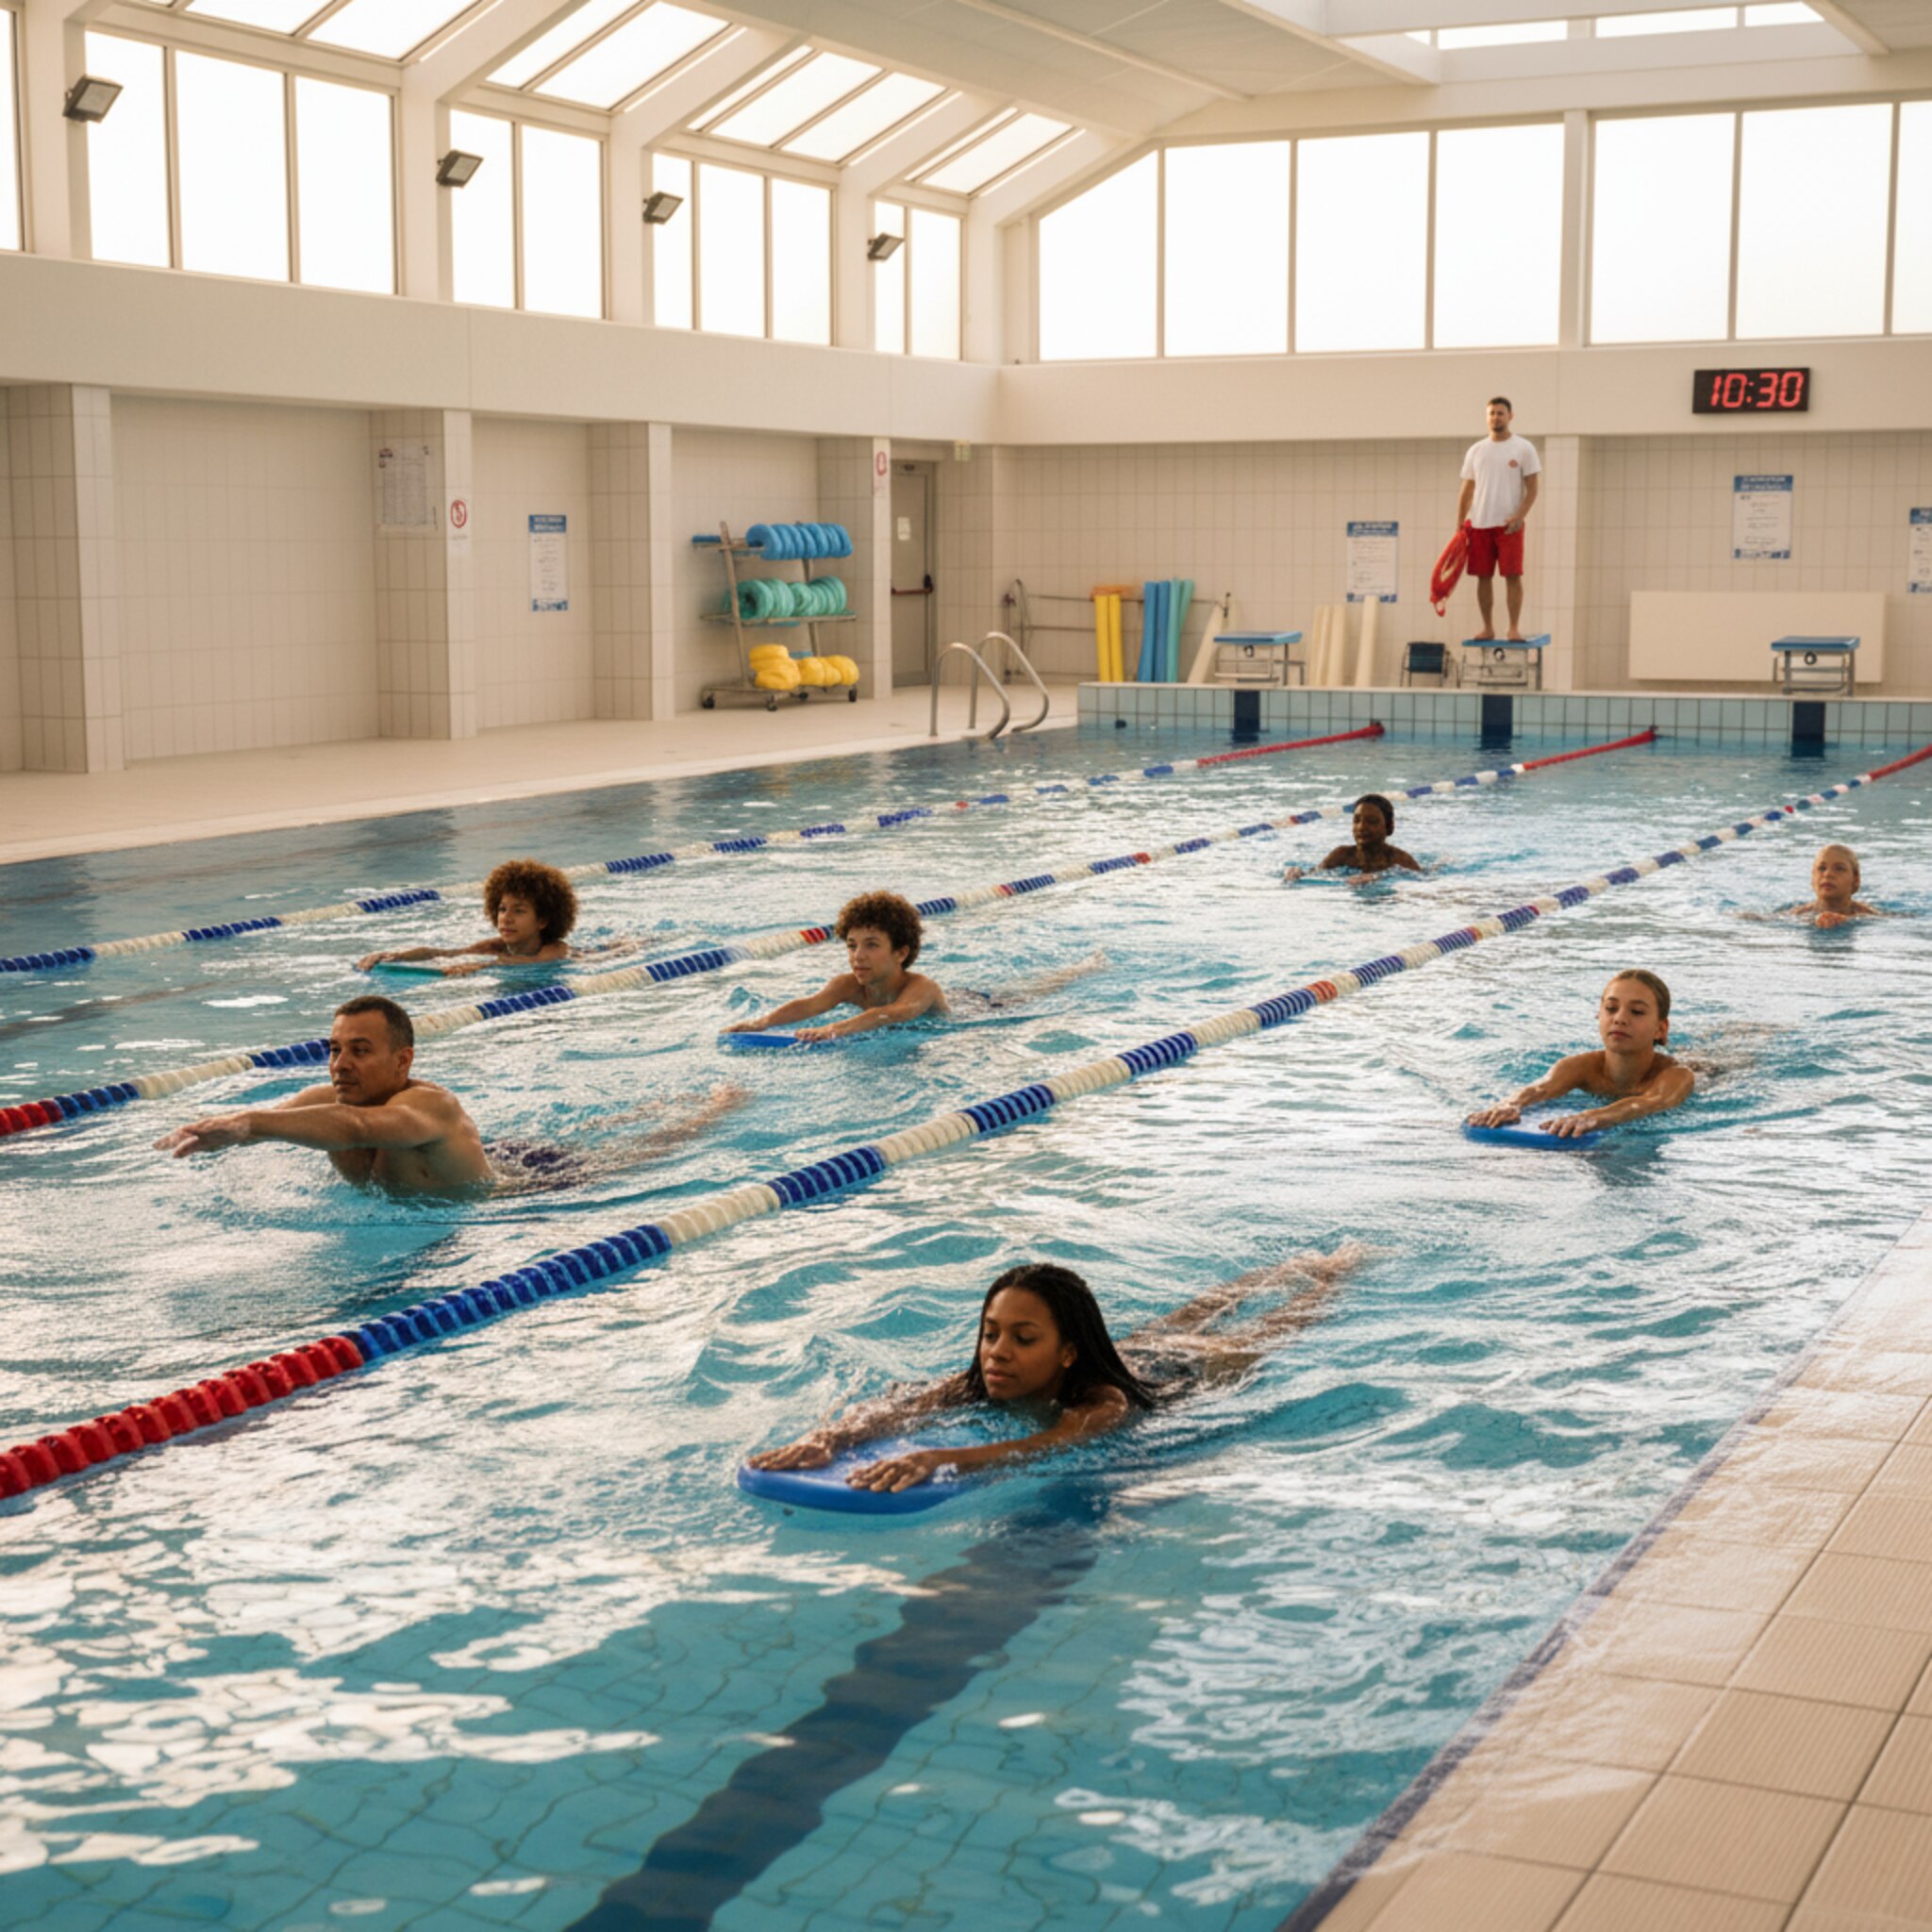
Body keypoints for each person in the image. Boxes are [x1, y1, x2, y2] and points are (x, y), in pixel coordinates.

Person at [747, 1247, 1365, 1494]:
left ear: (1067, 1352)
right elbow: (895, 1410)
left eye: (1021, 1338)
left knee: (1268, 1328)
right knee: (1195, 1309)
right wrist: (825, 1439)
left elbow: (1045, 1445)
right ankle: (1276, 1269)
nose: (996, 1352)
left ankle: (1327, 1275)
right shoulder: (978, 1380)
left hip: (1188, 1372)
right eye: (989, 1334)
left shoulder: (1103, 1405)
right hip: (1138, 1347)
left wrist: (941, 1457)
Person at [154, 995, 491, 1195]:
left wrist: (248, 1121)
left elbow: (358, 1127)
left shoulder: (432, 1106)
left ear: (402, 1060)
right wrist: (210, 1135)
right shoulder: (324, 1102)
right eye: (334, 1050)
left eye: (360, 1051)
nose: (340, 1065)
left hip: (503, 1198)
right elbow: (260, 1129)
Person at [1467, 970, 1693, 1140]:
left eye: (1637, 1012)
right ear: (1599, 1015)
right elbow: (1539, 1088)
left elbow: (1652, 1102)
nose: (1620, 1019)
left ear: (1660, 1029)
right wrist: (1510, 1104)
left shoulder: (1677, 1075)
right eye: (1611, 1008)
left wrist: (1596, 1116)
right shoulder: (1580, 1067)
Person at [723, 891, 948, 1042]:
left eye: (871, 945)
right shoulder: (847, 985)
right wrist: (762, 1023)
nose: (858, 956)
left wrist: (833, 1029)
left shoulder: (922, 987)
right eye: (852, 946)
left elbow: (890, 1014)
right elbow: (810, 1006)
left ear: (900, 953)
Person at [357, 859, 579, 978]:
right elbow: (445, 953)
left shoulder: (555, 949)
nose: (506, 919)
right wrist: (396, 955)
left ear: (542, 920)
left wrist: (482, 966)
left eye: (519, 911)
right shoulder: (495, 946)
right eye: (502, 909)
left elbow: (533, 963)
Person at [1455, 397, 1541, 643]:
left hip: (1508, 526)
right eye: (1492, 413)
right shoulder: (1476, 450)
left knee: (1512, 575)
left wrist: (1520, 515)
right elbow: (1467, 490)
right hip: (1479, 523)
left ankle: (1513, 628)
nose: (1496, 418)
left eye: (1500, 413)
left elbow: (1533, 488)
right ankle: (1488, 627)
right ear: (1486, 417)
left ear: (1510, 416)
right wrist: (1460, 523)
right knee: (1483, 577)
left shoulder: (1523, 448)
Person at [1291, 793, 1421, 878]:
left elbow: (1423, 881)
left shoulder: (1399, 859)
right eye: (1357, 820)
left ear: (1389, 827)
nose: (1362, 827)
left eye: (1372, 822)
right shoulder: (1341, 855)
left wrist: (1378, 877)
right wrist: (1298, 874)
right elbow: (1314, 874)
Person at [1789, 843, 1883, 927]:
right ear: (1813, 878)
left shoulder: (1866, 914)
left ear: (1855, 879)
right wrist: (1810, 921)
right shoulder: (1799, 914)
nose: (1828, 874)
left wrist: (1848, 920)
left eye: (1839, 869)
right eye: (1822, 868)